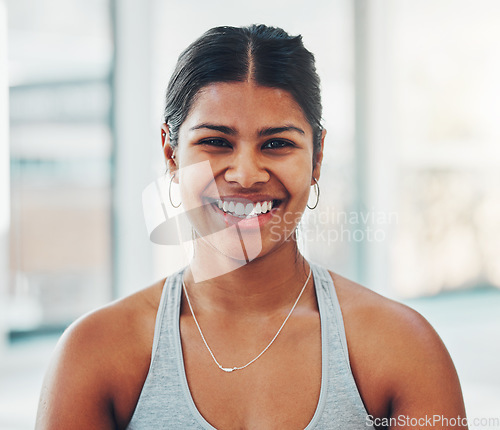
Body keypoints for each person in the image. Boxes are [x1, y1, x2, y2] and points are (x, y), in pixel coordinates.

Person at [36, 25, 468, 430]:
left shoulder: (402, 349)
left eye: (277, 144)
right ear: (171, 155)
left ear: (317, 159)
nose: (245, 174)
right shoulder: (94, 353)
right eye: (216, 142)